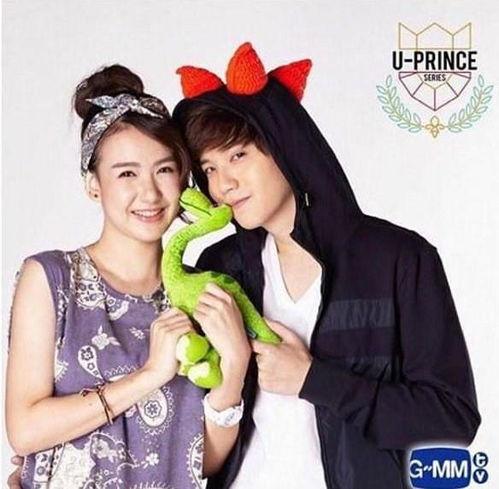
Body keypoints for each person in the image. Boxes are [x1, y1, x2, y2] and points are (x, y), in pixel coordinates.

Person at [171, 42, 481, 489]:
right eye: (210, 169)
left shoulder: (398, 259)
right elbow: (192, 442)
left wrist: (314, 379)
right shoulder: (219, 269)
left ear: (285, 147)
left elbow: (451, 421)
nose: (224, 185)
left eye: (238, 156)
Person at [5, 64, 251, 488]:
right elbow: (25, 430)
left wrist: (235, 367)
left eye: (164, 170)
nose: (149, 193)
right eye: (126, 173)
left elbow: (201, 462)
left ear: (183, 180)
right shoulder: (52, 279)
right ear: (93, 184)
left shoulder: (198, 295)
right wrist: (150, 375)